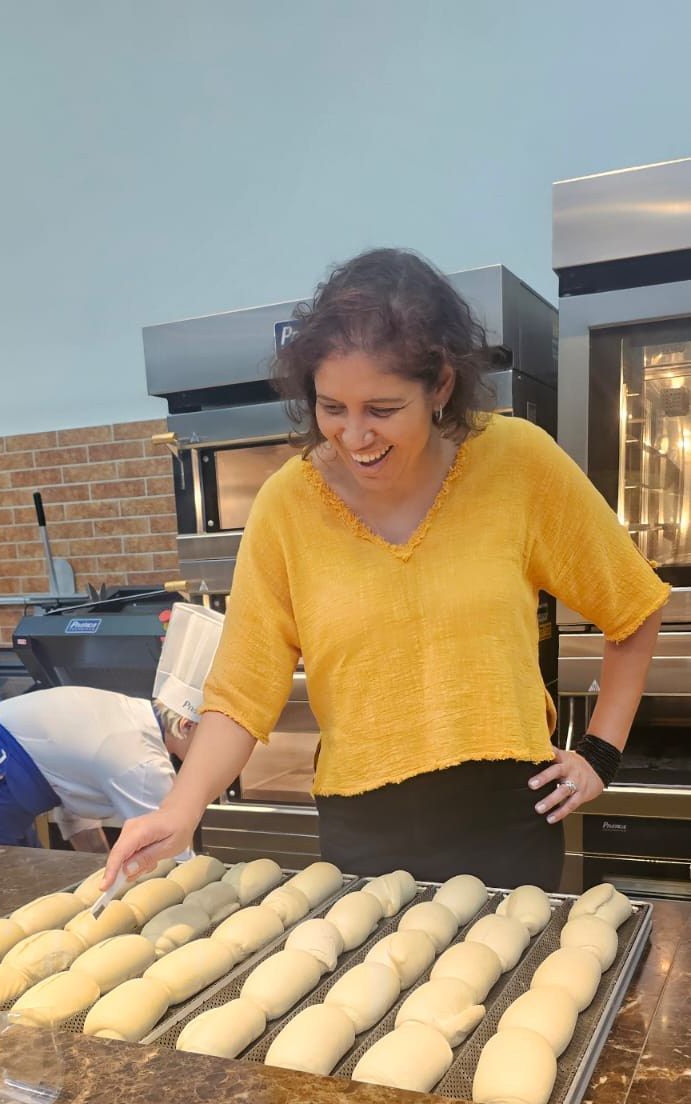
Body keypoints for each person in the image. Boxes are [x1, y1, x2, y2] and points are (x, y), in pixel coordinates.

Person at [103, 248, 669, 893]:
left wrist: (600, 751)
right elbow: (242, 690)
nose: (353, 435)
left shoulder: (516, 464)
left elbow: (632, 604)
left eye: (382, 408)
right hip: (363, 828)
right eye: (331, 408)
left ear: (441, 387)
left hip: (507, 817)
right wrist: (181, 808)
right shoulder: (289, 505)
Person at [0, 684, 195, 850]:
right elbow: (172, 855)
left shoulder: (129, 713)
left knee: (25, 880)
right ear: (186, 725)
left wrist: (99, 866)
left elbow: (71, 794)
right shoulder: (142, 763)